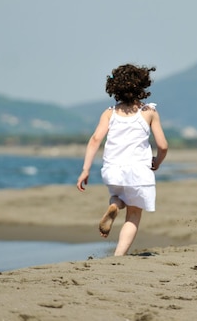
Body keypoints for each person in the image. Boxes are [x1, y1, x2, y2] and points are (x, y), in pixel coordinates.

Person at [76, 64, 168, 256]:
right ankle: (118, 255)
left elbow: (95, 140)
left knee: (118, 195)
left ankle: (115, 205)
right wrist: (157, 161)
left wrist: (85, 169)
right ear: (142, 85)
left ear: (114, 88)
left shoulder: (109, 113)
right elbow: (163, 145)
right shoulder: (149, 112)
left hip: (112, 170)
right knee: (134, 214)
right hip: (138, 172)